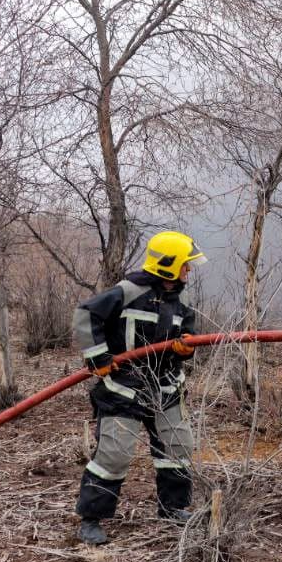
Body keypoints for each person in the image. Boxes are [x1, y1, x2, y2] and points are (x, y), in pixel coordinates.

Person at [71, 231, 206, 545]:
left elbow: (189, 333)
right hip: (124, 391)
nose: (190, 270)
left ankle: (172, 508)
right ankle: (91, 519)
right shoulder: (127, 291)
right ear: (169, 265)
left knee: (178, 448)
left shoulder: (180, 299)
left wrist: (186, 348)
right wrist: (98, 357)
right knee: (114, 455)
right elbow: (86, 314)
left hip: (167, 389)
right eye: (186, 264)